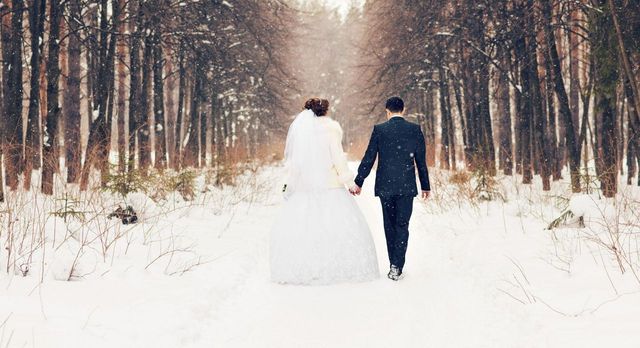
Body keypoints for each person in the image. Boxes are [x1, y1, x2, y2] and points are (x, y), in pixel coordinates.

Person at [270, 98, 379, 285]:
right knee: (334, 227)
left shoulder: (302, 134)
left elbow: (295, 165)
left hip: (305, 188)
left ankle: (305, 266)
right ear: (325, 112)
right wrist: (349, 182)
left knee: (305, 228)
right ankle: (336, 267)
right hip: (331, 187)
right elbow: (338, 159)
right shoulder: (331, 131)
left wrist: (290, 186)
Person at [350, 96, 431, 281]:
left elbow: (369, 158)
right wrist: (425, 185)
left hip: (386, 186)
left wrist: (358, 181)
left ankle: (393, 264)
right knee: (402, 225)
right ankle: (397, 265)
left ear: (387, 111)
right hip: (406, 186)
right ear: (403, 110)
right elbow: (421, 161)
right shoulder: (414, 130)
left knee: (390, 225)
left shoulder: (380, 130)